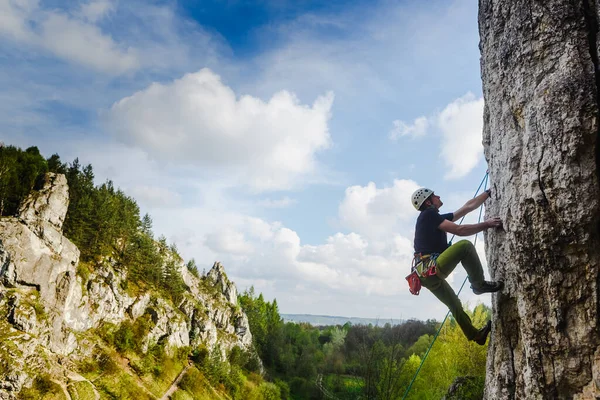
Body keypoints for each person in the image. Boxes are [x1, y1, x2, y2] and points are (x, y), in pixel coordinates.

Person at [410, 187, 504, 345]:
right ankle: (478, 284)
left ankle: (476, 335)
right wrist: (486, 224)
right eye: (434, 195)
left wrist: (488, 193)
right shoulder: (428, 215)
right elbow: (460, 230)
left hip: (424, 276)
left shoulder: (432, 217)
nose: (438, 196)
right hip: (430, 268)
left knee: (454, 304)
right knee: (465, 246)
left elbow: (467, 207)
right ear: (428, 202)